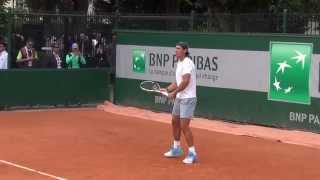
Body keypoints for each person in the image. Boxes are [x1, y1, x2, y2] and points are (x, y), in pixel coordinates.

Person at [162, 42, 197, 164]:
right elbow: (177, 82)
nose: (176, 51)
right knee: (174, 121)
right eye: (175, 48)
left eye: (178, 49)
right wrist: (167, 89)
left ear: (185, 50)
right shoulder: (179, 63)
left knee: (184, 126)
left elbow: (186, 81)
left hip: (188, 98)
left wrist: (175, 93)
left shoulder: (188, 63)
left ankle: (192, 154)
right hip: (180, 97)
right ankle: (176, 148)